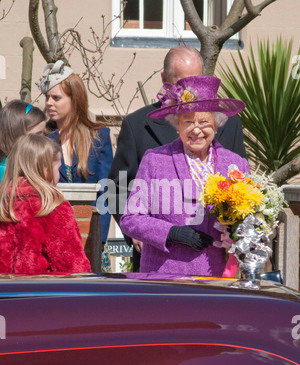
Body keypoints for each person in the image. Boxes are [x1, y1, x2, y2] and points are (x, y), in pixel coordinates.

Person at [108, 46, 247, 271]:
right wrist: (170, 233)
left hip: (218, 275)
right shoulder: (154, 159)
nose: (196, 129)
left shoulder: (236, 165)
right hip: (165, 273)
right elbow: (128, 210)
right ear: (176, 124)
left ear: (217, 122)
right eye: (187, 121)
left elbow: (249, 216)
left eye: (204, 121)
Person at [38, 60, 114, 250]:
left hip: (90, 236)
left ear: (75, 99)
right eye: (47, 97)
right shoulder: (41, 139)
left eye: (56, 98)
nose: (48, 103)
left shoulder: (99, 137)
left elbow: (106, 192)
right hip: (50, 235)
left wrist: (98, 240)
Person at [0, 133, 91, 274]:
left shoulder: (3, 204)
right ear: (46, 170)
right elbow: (73, 267)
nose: (58, 176)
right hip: (40, 292)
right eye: (58, 169)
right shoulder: (53, 207)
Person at [0, 100, 47, 182]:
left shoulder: (26, 166)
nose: (43, 140)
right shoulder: (6, 172)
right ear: (17, 134)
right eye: (37, 135)